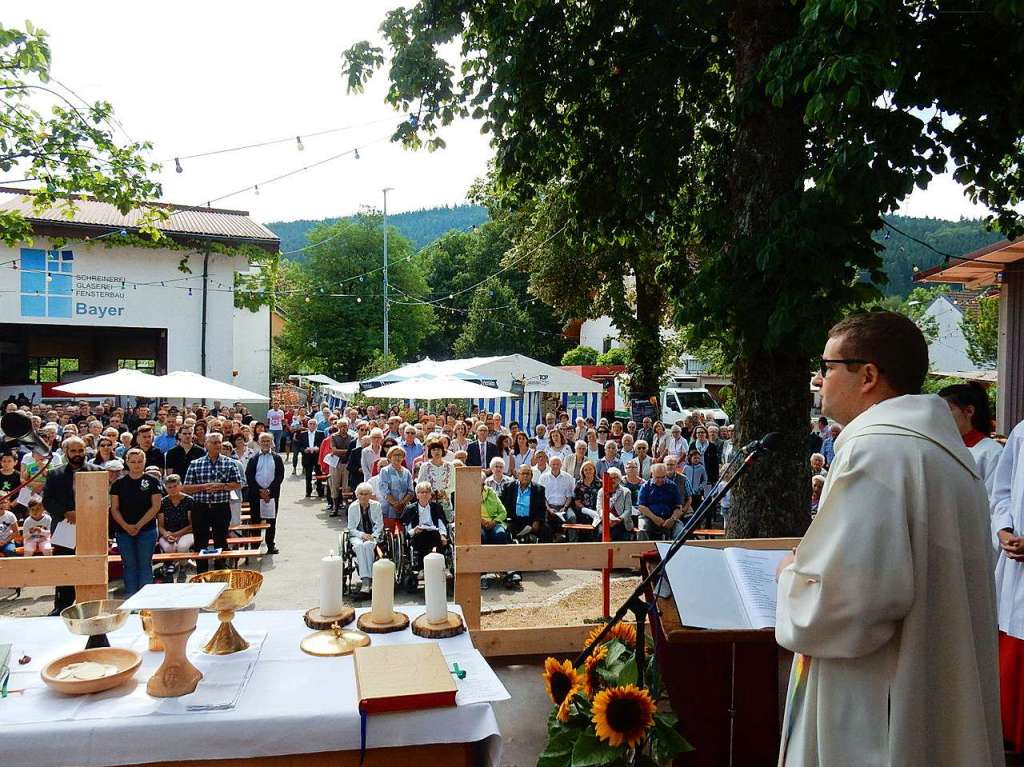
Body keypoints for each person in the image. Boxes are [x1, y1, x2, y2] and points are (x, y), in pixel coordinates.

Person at [775, 311, 1001, 767]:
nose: (819, 380)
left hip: (874, 699)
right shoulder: (946, 454)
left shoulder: (876, 451)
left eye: (827, 366)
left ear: (868, 376)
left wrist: (791, 579)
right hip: (932, 686)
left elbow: (850, 606)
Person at [43, 437, 101, 614]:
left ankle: (92, 604)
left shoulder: (97, 471)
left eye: (81, 450)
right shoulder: (55, 474)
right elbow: (47, 501)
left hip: (90, 528)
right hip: (64, 526)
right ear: (66, 452)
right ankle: (62, 606)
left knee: (90, 566)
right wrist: (66, 513)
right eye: (74, 451)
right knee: (65, 566)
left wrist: (83, 514)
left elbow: (102, 500)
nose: (78, 454)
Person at [183, 433, 243, 574]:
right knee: (200, 541)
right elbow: (186, 487)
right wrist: (204, 487)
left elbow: (238, 484)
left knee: (221, 540)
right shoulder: (195, 464)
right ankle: (202, 572)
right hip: (201, 507)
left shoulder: (230, 463)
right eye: (214, 442)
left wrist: (221, 486)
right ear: (206, 444)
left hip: (221, 507)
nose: (217, 445)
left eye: (219, 442)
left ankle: (220, 571)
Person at [110, 447, 162, 596]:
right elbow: (114, 509)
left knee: (145, 564)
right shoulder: (118, 484)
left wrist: (139, 525)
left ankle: (145, 598)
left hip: (147, 530)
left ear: (145, 462)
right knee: (129, 565)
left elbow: (156, 506)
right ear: (127, 462)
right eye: (133, 462)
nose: (137, 465)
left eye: (140, 461)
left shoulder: (152, 481)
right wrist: (126, 526)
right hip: (123, 531)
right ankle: (131, 597)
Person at [939, 382, 1002, 495]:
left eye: (946, 410)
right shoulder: (937, 447)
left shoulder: (991, 453)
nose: (940, 416)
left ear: (969, 411)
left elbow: (994, 500)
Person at [246, 433, 284, 553]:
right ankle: (255, 544)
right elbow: (250, 476)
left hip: (272, 494)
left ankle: (270, 544)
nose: (266, 443)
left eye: (268, 441)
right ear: (259, 443)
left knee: (271, 520)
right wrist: (259, 490)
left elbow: (279, 476)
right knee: (255, 519)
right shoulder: (253, 458)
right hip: (256, 494)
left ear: (272, 442)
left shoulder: (277, 458)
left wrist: (269, 490)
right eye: (263, 441)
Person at [347, 482, 384, 594]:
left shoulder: (376, 505)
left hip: (372, 535)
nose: (363, 496)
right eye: (361, 494)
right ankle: (366, 580)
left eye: (366, 494)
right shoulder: (352, 507)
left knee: (368, 546)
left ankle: (367, 581)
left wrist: (372, 535)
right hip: (358, 535)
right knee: (359, 546)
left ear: (370, 495)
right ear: (357, 495)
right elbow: (351, 528)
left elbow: (380, 525)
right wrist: (362, 535)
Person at [401, 482, 449, 563]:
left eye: (427, 492)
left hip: (434, 533)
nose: (424, 494)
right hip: (418, 535)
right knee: (422, 537)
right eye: (422, 492)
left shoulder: (436, 507)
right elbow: (406, 530)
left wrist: (443, 535)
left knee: (436, 536)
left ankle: (442, 565)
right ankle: (421, 568)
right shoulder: (410, 509)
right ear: (417, 495)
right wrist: (414, 530)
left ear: (430, 495)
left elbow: (441, 523)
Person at [501, 464, 549, 542]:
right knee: (502, 531)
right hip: (513, 520)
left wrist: (537, 521)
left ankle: (543, 553)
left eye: (528, 474)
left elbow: (542, 508)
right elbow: (502, 506)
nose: (525, 476)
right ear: (518, 475)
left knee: (546, 529)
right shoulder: (509, 487)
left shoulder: (539, 489)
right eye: (523, 473)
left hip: (531, 520)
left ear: (532, 475)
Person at [636, 463, 684, 540]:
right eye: (657, 477)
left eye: (663, 477)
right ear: (652, 475)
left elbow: (678, 507)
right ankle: (644, 550)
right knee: (642, 529)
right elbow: (641, 507)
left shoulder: (672, 486)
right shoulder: (645, 486)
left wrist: (672, 519)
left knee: (680, 531)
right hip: (650, 518)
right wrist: (654, 518)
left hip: (670, 518)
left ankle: (677, 551)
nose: (660, 480)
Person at [157, 474, 194, 559]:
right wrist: (167, 535)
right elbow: (160, 526)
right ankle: (171, 566)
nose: (173, 489)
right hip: (168, 533)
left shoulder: (189, 501)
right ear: (165, 488)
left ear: (180, 485)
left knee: (182, 547)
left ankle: (183, 566)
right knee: (169, 548)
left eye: (175, 486)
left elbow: (192, 525)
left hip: (187, 533)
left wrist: (176, 534)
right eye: (169, 487)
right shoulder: (162, 502)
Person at [379, 446, 415, 528]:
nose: (398, 457)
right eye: (395, 455)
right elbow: (384, 489)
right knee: (390, 530)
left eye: (400, 455)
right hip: (389, 507)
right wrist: (395, 504)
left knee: (403, 531)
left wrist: (402, 504)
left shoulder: (407, 472)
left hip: (404, 507)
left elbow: (411, 491)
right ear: (390, 457)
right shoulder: (385, 471)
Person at [417, 440, 454, 520]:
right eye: (433, 449)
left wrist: (445, 492)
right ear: (430, 452)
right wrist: (430, 492)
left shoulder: (450, 466)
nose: (436, 451)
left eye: (438, 449)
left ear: (442, 451)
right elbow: (419, 485)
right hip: (429, 502)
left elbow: (454, 485)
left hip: (445, 502)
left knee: (446, 526)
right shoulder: (424, 466)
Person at [595, 467, 633, 541]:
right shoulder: (601, 491)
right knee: (600, 533)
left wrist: (619, 519)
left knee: (618, 534)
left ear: (619, 479)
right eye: (610, 478)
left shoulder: (626, 491)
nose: (613, 480)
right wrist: (606, 519)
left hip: (620, 520)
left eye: (615, 477)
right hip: (605, 519)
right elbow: (599, 508)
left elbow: (628, 510)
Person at [538, 455, 575, 523]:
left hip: (564, 506)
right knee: (543, 518)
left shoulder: (568, 477)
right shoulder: (543, 477)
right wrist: (549, 509)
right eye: (553, 464)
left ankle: (572, 534)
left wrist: (565, 508)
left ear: (561, 465)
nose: (555, 466)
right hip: (548, 506)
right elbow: (541, 496)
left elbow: (569, 496)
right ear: (549, 465)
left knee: (572, 517)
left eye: (557, 464)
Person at [294, 418, 324, 498]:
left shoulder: (321, 434)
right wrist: (304, 450)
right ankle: (308, 491)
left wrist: (318, 449)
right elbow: (299, 446)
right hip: (307, 456)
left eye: (314, 424)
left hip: (317, 456)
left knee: (319, 474)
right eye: (310, 424)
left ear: (316, 425)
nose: (312, 425)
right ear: (307, 425)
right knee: (308, 475)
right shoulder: (303, 434)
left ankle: (320, 490)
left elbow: (323, 446)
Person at [573, 461, 602, 526]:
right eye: (585, 470)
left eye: (590, 469)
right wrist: (588, 511)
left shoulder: (600, 483)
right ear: (582, 471)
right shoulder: (579, 484)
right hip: (584, 511)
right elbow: (577, 501)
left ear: (594, 470)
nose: (588, 471)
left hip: (598, 511)